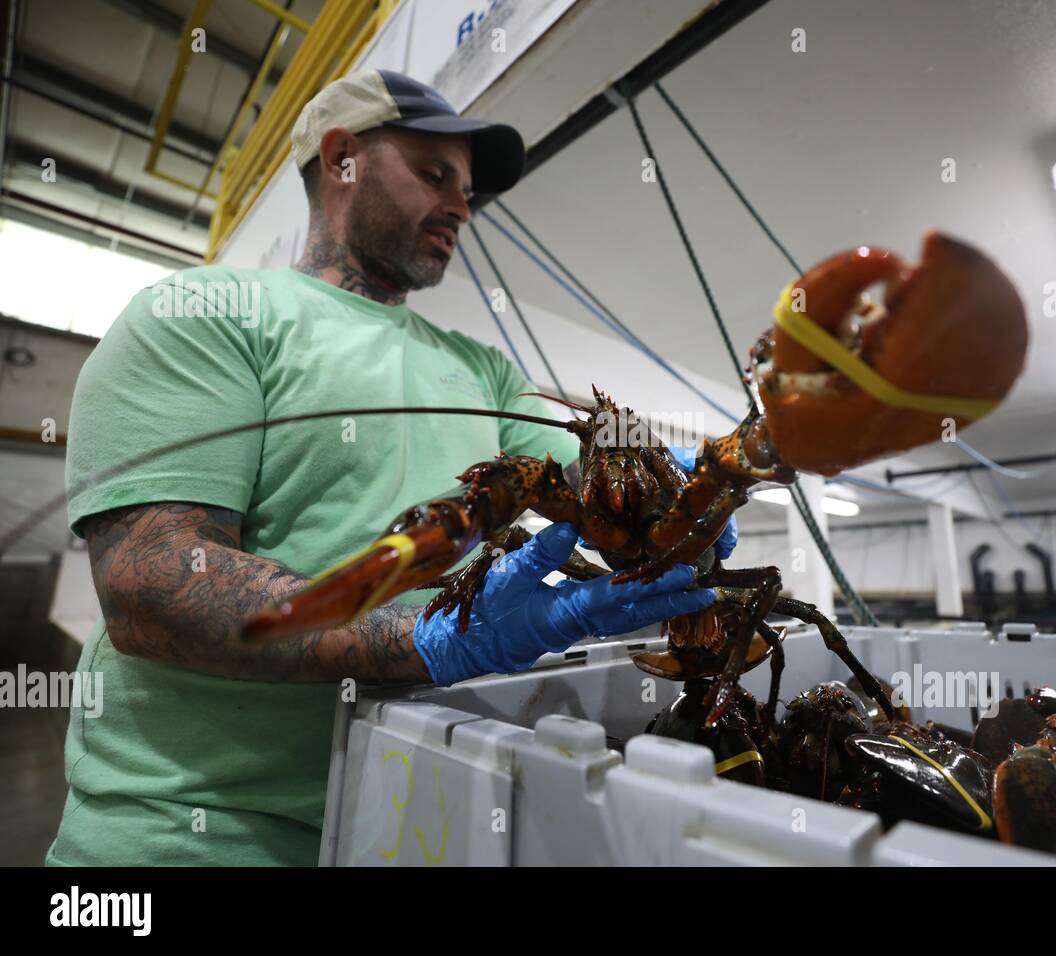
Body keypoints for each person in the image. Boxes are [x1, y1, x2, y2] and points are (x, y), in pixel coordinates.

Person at [46, 70, 730, 866]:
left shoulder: (484, 370)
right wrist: (424, 639)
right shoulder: (207, 312)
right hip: (189, 837)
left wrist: (690, 492)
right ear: (341, 159)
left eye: (469, 191)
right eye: (436, 174)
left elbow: (596, 475)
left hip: (408, 825)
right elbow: (151, 585)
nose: (462, 207)